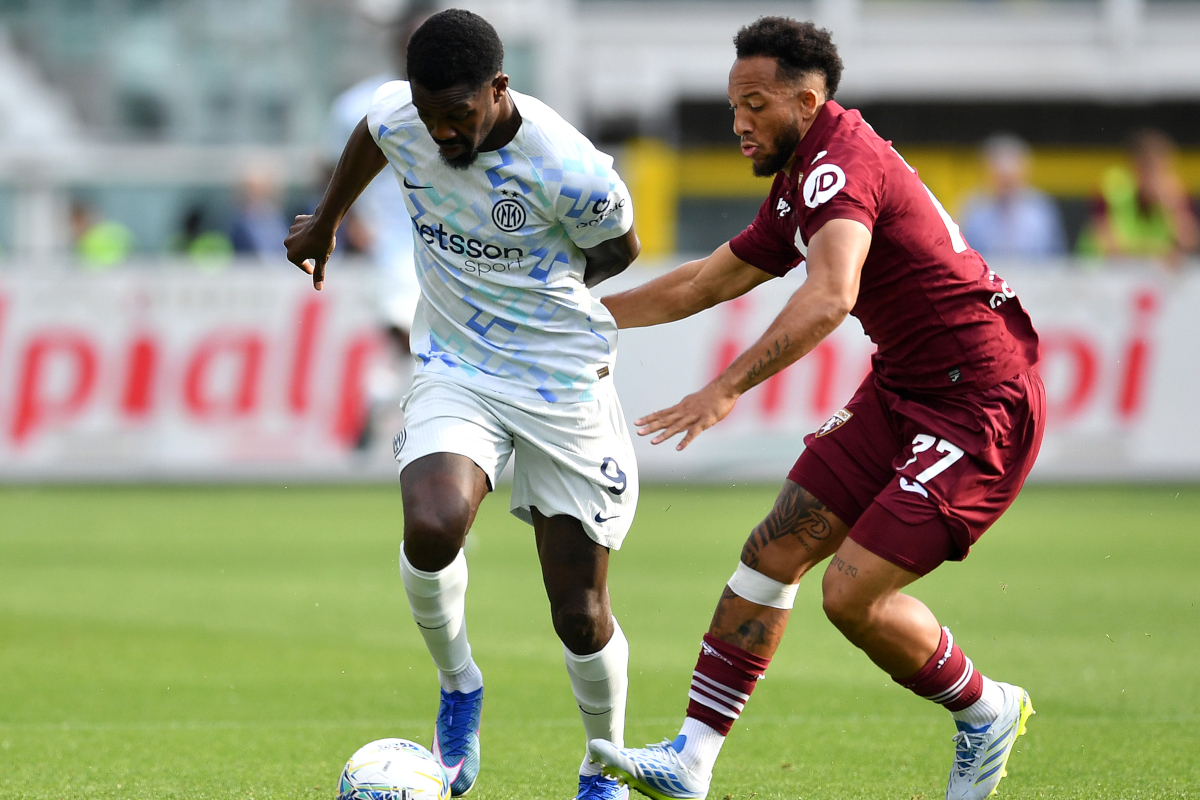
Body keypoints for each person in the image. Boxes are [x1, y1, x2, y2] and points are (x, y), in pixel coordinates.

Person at [586, 17, 1043, 800]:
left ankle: (987, 709)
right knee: (771, 552)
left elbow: (831, 297)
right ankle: (691, 759)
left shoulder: (840, 166)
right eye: (733, 107)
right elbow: (703, 283)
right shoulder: (805, 174)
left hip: (979, 401)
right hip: (904, 387)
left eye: (754, 105)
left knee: (850, 596)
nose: (739, 123)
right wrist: (582, 317)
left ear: (806, 100)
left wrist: (725, 386)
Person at [285, 10, 641, 800]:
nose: (443, 134)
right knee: (433, 522)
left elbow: (620, 249)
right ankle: (460, 686)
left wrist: (535, 300)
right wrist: (327, 224)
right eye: (431, 117)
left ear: (499, 89)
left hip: (557, 379)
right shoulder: (402, 116)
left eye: (459, 117)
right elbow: (374, 136)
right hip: (457, 364)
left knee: (579, 611)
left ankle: (603, 764)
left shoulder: (570, 170)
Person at [324, 1, 435, 447]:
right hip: (389, 241)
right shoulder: (360, 104)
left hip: (453, 242)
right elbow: (328, 169)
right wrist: (343, 220)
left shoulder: (462, 102)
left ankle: (386, 399)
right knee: (402, 330)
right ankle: (388, 406)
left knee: (416, 339)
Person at [1076, 128, 1200, 268]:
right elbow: (1109, 245)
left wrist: (1172, 207)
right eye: (1151, 168)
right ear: (1135, 166)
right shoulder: (1113, 186)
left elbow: (1190, 244)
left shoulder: (1175, 191)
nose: (1158, 177)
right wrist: (1158, 253)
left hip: (1149, 277)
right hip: (1100, 275)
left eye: (1164, 168)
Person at [960, 134, 1066, 259]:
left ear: (1024, 171)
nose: (1006, 181)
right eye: (1001, 176)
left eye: (1011, 175)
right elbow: (964, 259)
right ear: (987, 171)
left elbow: (1059, 259)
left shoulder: (1042, 210)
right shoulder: (973, 211)